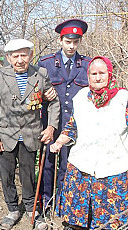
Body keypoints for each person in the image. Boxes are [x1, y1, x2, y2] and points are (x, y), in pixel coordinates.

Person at [0, 39, 60, 230]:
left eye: (24, 55)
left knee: (28, 176)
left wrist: (51, 127)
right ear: (8, 58)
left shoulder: (40, 75)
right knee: (7, 176)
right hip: (5, 137)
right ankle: (12, 210)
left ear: (30, 56)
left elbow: (53, 101)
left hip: (31, 135)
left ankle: (31, 208)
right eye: (15, 56)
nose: (20, 60)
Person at [50, 56, 128, 230]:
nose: (98, 77)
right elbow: (72, 126)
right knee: (77, 194)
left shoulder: (123, 98)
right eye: (94, 73)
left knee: (112, 199)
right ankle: (75, 224)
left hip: (114, 160)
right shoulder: (80, 97)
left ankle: (112, 229)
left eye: (102, 73)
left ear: (110, 74)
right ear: (88, 75)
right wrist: (59, 142)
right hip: (83, 159)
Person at [37, 19, 91, 213]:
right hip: (50, 123)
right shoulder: (46, 63)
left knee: (68, 166)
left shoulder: (86, 65)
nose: (71, 46)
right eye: (68, 41)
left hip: (74, 126)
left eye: (75, 42)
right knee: (47, 165)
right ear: (60, 40)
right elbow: (34, 91)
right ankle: (46, 201)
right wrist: (42, 95)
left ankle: (63, 202)